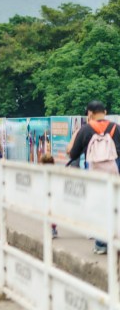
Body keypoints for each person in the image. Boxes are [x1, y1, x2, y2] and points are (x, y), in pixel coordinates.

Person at [67, 100, 120, 254]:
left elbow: (73, 154)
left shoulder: (85, 130)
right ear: (105, 112)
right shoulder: (116, 128)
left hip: (96, 176)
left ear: (90, 113)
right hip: (115, 173)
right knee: (115, 207)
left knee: (99, 207)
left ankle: (101, 243)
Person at [39, 153, 58, 238]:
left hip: (46, 197)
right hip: (53, 197)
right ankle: (53, 229)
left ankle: (50, 230)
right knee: (52, 213)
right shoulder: (54, 174)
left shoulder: (42, 175)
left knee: (47, 213)